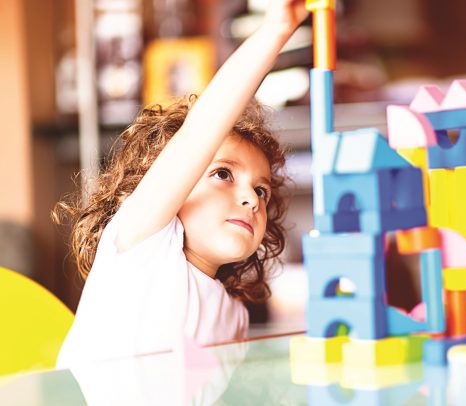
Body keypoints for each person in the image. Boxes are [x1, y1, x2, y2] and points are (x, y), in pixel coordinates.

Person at [54, 0, 308, 368]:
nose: (251, 200)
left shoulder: (234, 316)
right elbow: (200, 131)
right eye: (223, 174)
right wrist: (277, 30)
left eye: (261, 190)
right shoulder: (144, 245)